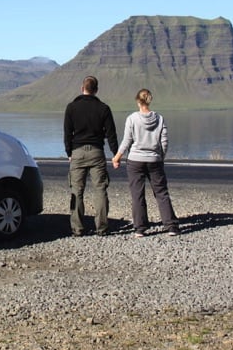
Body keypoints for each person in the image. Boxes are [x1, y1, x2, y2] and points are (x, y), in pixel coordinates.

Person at [111, 88, 181, 237]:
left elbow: (127, 141)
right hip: (154, 160)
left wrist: (117, 157)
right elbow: (164, 142)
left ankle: (140, 228)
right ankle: (171, 226)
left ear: (138, 101)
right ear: (150, 100)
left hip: (135, 160)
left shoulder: (132, 118)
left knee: (137, 194)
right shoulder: (160, 119)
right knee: (161, 193)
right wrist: (160, 157)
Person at [64, 75, 119, 236]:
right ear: (96, 90)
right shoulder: (104, 108)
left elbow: (67, 133)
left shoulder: (71, 107)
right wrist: (115, 154)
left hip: (78, 152)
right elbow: (111, 135)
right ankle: (101, 228)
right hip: (97, 152)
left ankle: (78, 228)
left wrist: (69, 153)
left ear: (82, 89)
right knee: (100, 189)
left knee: (76, 190)